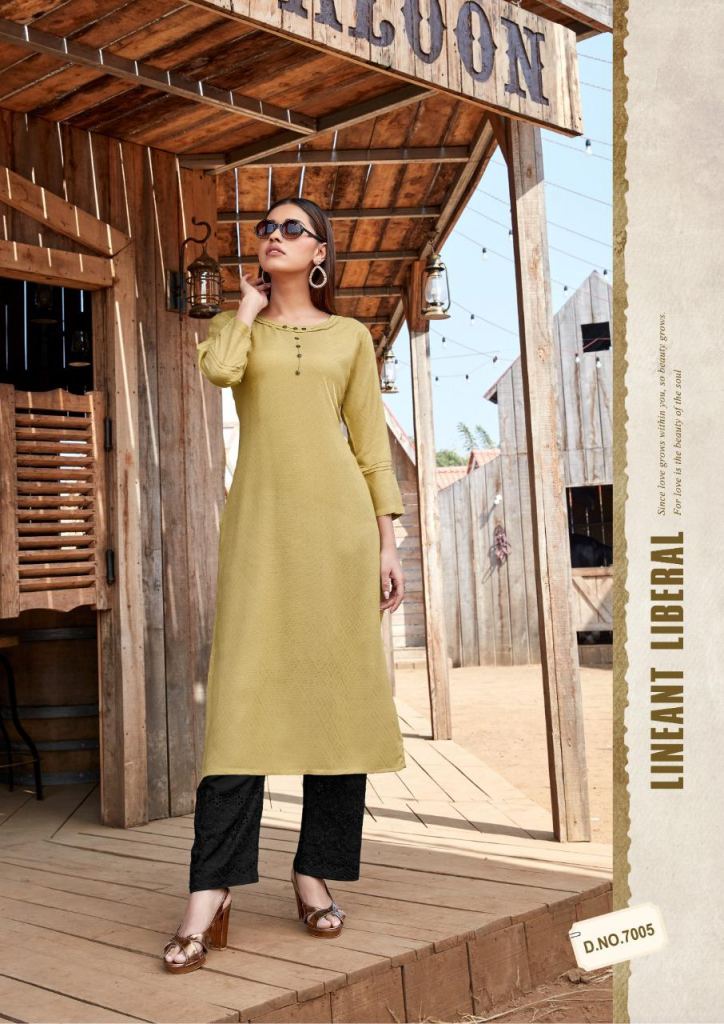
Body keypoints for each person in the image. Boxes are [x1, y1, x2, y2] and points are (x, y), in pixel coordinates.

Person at [163, 197, 407, 972]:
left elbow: (369, 444)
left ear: (320, 252)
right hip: (261, 536)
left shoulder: (350, 337)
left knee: (338, 703)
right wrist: (246, 306)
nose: (274, 236)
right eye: (266, 228)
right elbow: (220, 371)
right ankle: (211, 891)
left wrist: (387, 542)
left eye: (291, 228)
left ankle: (313, 873)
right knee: (238, 709)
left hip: (338, 536)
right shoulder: (234, 329)